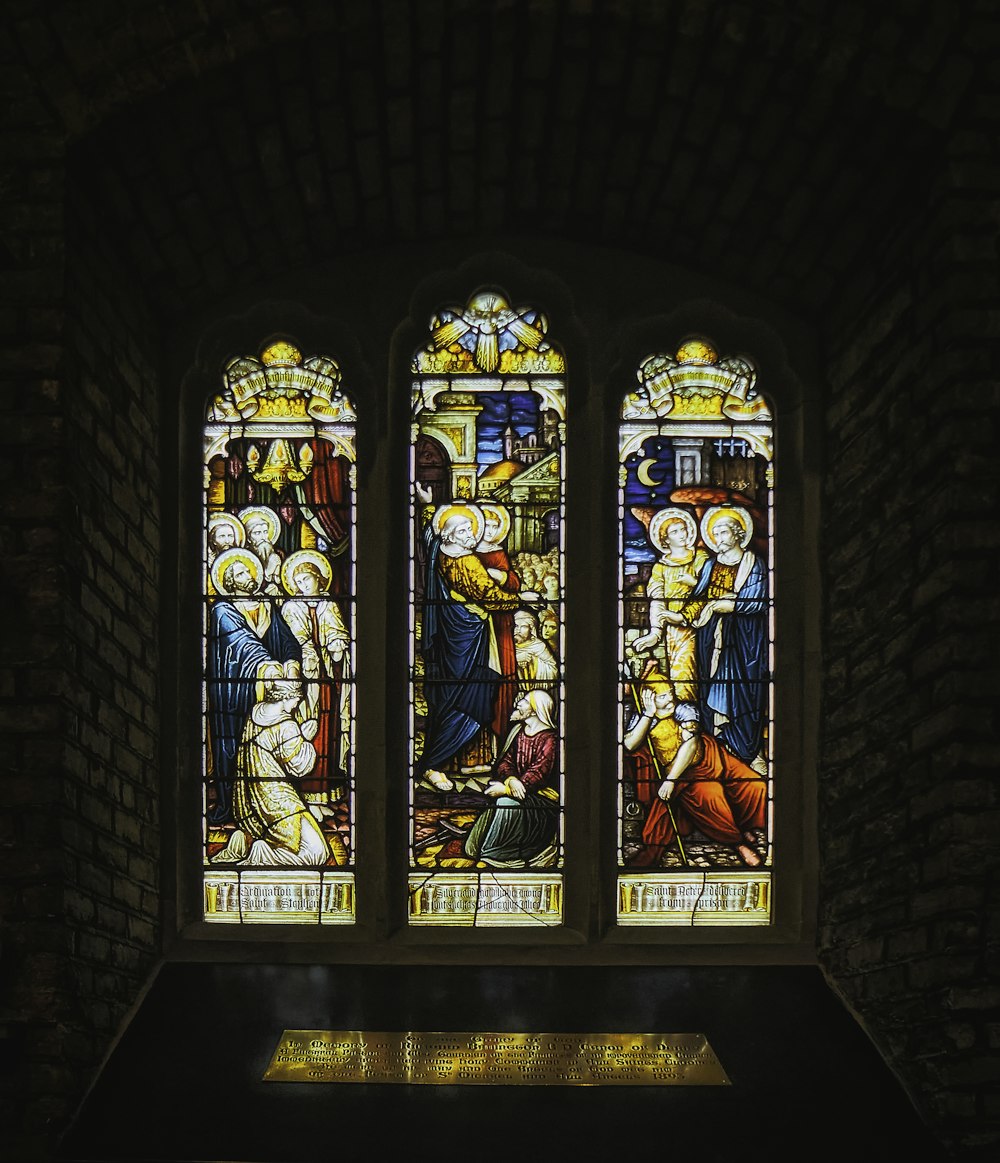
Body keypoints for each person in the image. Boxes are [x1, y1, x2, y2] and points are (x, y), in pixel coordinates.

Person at [419, 503, 537, 792]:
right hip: (467, 637)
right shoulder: (466, 562)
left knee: (450, 696)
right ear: (450, 535)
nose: (469, 533)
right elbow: (490, 596)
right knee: (470, 697)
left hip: (452, 636)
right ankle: (433, 763)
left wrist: (427, 507)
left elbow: (427, 535)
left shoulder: (439, 551)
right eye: (462, 530)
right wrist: (522, 598)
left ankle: (438, 763)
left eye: (469, 528)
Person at [206, 548, 302, 825]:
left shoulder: (266, 606)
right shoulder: (222, 610)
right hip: (233, 693)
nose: (246, 576)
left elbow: (287, 641)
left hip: (269, 692)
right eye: (239, 573)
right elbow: (241, 643)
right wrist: (268, 667)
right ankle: (232, 807)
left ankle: (272, 806)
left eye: (248, 571)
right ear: (228, 581)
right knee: (233, 747)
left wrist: (292, 662)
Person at [212, 661, 336, 867]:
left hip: (253, 799)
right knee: (317, 853)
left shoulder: (256, 713)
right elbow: (300, 766)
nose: (297, 703)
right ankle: (261, 853)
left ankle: (244, 840)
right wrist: (306, 737)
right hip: (279, 801)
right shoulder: (286, 725)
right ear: (287, 697)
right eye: (296, 699)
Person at [683, 505, 768, 766]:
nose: (719, 538)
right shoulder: (710, 565)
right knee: (712, 690)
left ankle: (749, 752)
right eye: (715, 534)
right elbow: (698, 598)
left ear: (738, 534)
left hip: (745, 641)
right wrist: (686, 614)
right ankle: (718, 748)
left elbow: (758, 602)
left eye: (724, 532)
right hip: (713, 640)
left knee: (745, 694)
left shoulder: (754, 563)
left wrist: (731, 605)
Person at [280, 551, 352, 810]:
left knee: (329, 728)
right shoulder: (290, 606)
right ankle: (304, 788)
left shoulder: (328, 603)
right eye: (298, 582)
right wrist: (308, 651)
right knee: (306, 727)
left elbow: (337, 632)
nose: (302, 585)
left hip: (328, 680)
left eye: (307, 579)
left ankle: (328, 788)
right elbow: (294, 639)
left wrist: (336, 644)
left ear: (319, 579)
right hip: (305, 680)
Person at [654, 703, 766, 867]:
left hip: (711, 755)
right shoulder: (655, 721)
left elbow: (694, 740)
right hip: (688, 778)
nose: (669, 700)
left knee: (755, 785)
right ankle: (738, 843)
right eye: (664, 697)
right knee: (712, 797)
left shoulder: (692, 726)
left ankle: (743, 827)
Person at [464, 690, 559, 868]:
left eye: (523, 701)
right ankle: (478, 848)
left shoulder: (550, 739)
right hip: (521, 793)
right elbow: (504, 763)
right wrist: (511, 780)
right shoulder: (520, 733)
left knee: (505, 801)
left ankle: (494, 856)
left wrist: (508, 789)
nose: (518, 704)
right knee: (473, 844)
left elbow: (539, 774)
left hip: (542, 804)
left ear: (534, 710)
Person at [630, 508, 708, 702]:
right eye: (675, 532)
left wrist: (695, 583)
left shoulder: (701, 559)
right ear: (664, 538)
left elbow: (711, 590)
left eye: (683, 529)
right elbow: (657, 599)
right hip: (677, 632)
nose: (682, 534)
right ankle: (689, 723)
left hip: (706, 622)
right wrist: (655, 632)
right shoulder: (661, 567)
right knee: (683, 676)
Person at [622, 671, 685, 867]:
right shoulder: (644, 717)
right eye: (663, 695)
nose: (670, 698)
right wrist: (648, 714)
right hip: (667, 778)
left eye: (671, 692)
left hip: (690, 771)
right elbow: (629, 745)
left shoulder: (683, 710)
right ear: (649, 698)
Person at [476, 502, 520, 738]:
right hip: (475, 621)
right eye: (486, 525)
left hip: (500, 620)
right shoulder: (467, 553)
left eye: (495, 526)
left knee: (504, 671)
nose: (491, 531)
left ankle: (502, 729)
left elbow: (513, 582)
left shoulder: (499, 553)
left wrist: (501, 576)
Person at [239, 506, 284, 595]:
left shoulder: (279, 554)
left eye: (265, 532)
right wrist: (268, 572)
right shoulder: (244, 557)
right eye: (257, 533)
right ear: (248, 538)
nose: (263, 537)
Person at [513, 609, 558, 689]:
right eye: (516, 626)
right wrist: (516, 659)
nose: (518, 630)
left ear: (531, 629)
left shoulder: (539, 646)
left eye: (523, 626)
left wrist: (533, 660)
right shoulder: (506, 644)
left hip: (534, 693)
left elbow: (554, 671)